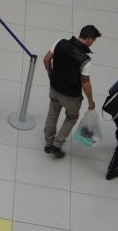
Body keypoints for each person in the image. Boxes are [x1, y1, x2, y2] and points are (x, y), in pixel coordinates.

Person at [43, 24, 100, 158]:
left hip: (55, 89)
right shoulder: (85, 60)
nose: (93, 44)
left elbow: (46, 59)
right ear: (89, 39)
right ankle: (57, 145)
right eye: (94, 41)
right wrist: (91, 101)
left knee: (52, 115)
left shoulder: (60, 43)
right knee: (71, 117)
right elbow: (85, 83)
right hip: (71, 96)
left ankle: (48, 144)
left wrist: (51, 74)